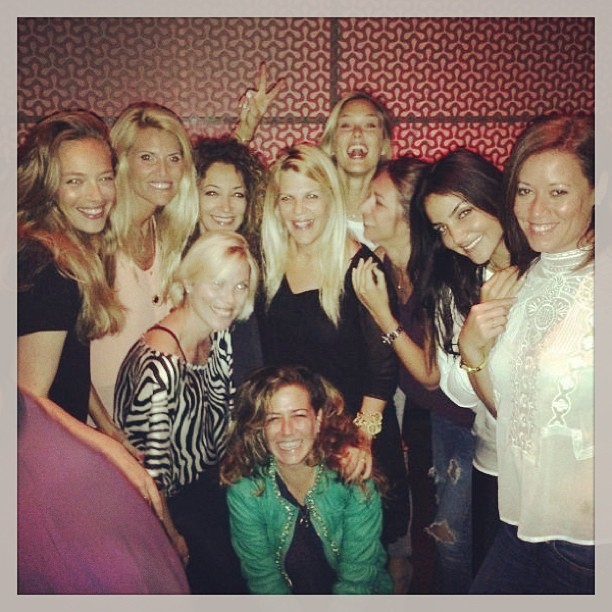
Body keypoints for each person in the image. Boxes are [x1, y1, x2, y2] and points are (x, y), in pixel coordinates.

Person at [256, 144, 409, 585]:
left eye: (310, 196)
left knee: (367, 563)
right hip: (296, 435)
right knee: (306, 558)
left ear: (330, 197)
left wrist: (362, 439)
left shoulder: (361, 267)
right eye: (287, 198)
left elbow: (383, 370)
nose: (298, 210)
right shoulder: (269, 261)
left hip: (355, 434)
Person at [351, 153, 499, 593]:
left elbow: (431, 374)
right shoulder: (383, 264)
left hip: (464, 418)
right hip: (428, 415)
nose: (364, 209)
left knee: (453, 539)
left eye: (377, 201)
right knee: (434, 528)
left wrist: (382, 314)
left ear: (407, 212)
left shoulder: (438, 269)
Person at [462, 115, 594, 594]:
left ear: (596, 192)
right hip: (524, 519)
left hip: (587, 539)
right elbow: (510, 411)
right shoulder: (523, 278)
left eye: (558, 192)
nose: (536, 209)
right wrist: (472, 351)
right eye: (523, 191)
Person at [114, 230, 258, 594]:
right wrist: (171, 536)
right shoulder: (160, 368)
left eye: (240, 286)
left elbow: (225, 421)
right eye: (218, 284)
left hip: (212, 483)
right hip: (165, 504)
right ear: (189, 282)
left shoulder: (218, 333)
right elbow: (150, 477)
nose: (230, 299)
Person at [408, 148, 511, 586]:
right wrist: (471, 346)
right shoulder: (456, 284)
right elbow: (458, 391)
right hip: (495, 461)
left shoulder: (551, 270)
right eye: (442, 228)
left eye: (464, 213)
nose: (456, 237)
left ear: (494, 195)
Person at [220, 364, 393, 595]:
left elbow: (358, 578)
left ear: (318, 419)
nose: (287, 430)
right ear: (259, 426)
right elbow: (263, 579)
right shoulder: (246, 489)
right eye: (273, 418)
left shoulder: (352, 476)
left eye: (299, 415)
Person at [17, 109, 128, 444]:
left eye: (104, 178)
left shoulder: (67, 253)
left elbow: (69, 366)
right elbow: (30, 403)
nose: (96, 196)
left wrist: (106, 426)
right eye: (74, 181)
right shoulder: (49, 268)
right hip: (41, 449)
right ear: (47, 186)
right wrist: (104, 448)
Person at [90, 101, 200, 417]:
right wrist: (107, 430)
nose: (163, 172)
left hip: (163, 421)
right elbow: (68, 357)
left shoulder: (170, 239)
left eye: (174, 158)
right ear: (121, 162)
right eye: (147, 158)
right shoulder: (96, 240)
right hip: (101, 428)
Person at [18, 390, 188, 594]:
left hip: (59, 442)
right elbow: (32, 394)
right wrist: (108, 447)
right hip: (43, 465)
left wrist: (108, 429)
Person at [191, 136, 268, 386]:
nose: (226, 207)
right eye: (212, 193)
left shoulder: (256, 263)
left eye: (237, 194)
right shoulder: (173, 261)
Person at [319, 90, 394, 247]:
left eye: (370, 125)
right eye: (346, 125)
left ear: (384, 145)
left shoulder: (400, 218)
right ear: (332, 144)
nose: (357, 133)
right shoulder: (313, 211)